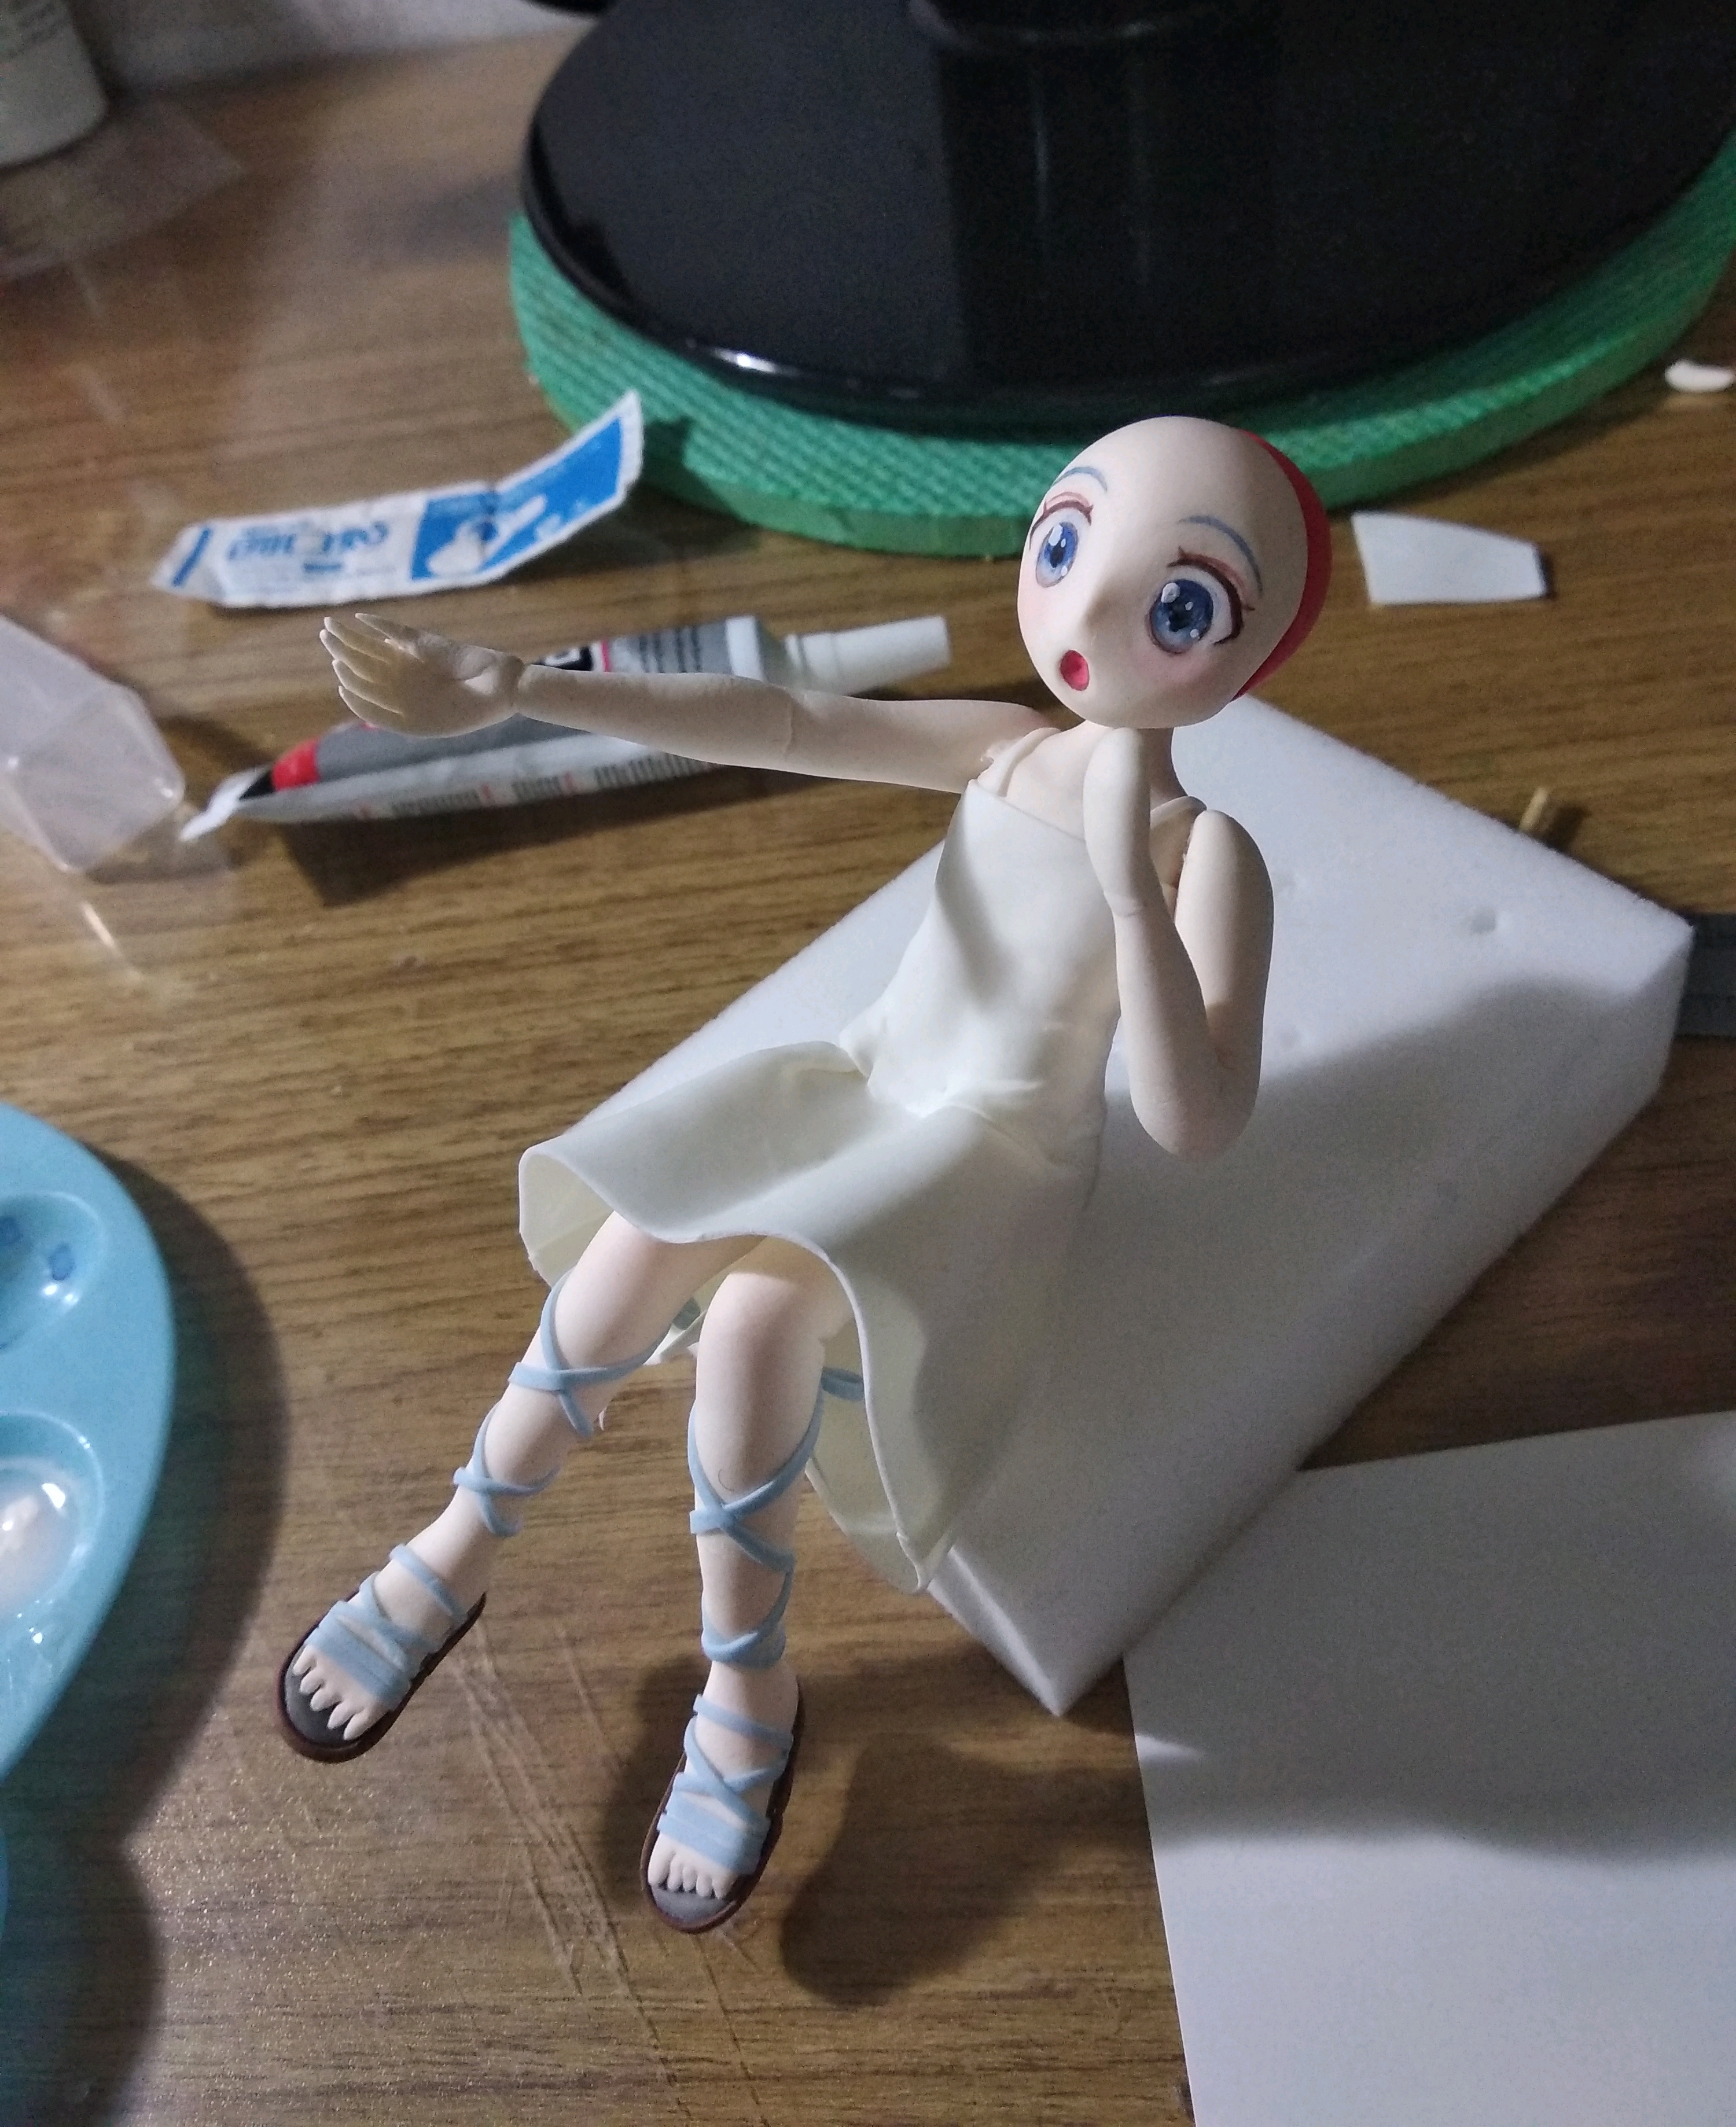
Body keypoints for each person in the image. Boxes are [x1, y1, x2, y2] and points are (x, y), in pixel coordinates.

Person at [277, 414, 1330, 1931]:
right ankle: (455, 1545)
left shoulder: (1203, 847)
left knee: (760, 1321)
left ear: (1252, 653)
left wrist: (1127, 892)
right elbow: (781, 721)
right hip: (870, 1080)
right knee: (641, 1233)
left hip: (991, 1153)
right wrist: (525, 687)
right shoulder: (1006, 744)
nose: (1091, 607)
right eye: (1066, 542)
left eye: (1180, 603)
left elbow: (1199, 1120)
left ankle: (749, 1688)